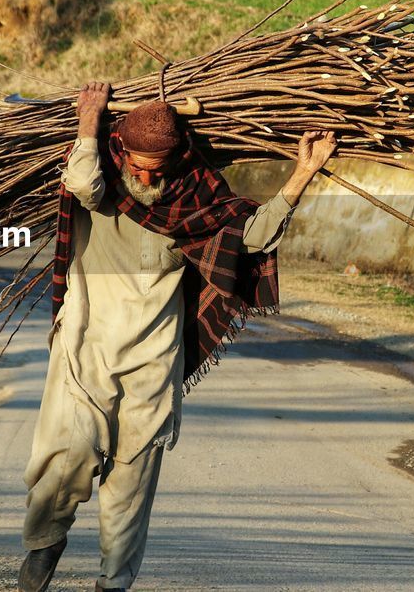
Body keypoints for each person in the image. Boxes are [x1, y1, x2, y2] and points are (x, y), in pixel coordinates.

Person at [18, 82, 337, 591]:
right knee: (62, 468)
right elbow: (80, 182)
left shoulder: (193, 198)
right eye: (138, 165)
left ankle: (112, 585)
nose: (146, 177)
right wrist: (89, 119)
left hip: (152, 369)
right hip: (85, 356)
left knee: (129, 498)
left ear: (178, 159)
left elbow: (250, 235)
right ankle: (36, 568)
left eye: (157, 168)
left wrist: (302, 174)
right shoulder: (102, 186)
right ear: (120, 150)